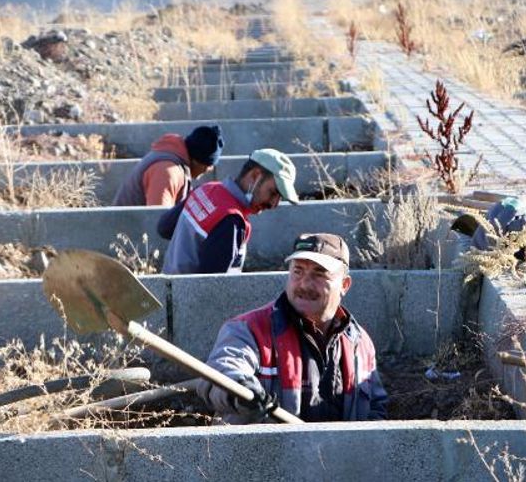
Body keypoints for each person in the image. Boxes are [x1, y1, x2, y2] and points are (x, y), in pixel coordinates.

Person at [197, 233, 388, 424]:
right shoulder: (249, 330)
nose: (305, 284)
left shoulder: (360, 343)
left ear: (345, 285)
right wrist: (242, 392)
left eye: (319, 274)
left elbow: (375, 407)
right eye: (298, 271)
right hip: (264, 453)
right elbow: (221, 372)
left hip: (337, 454)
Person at [158, 148, 298, 274]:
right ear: (255, 175)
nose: (274, 204)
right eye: (273, 193)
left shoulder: (205, 190)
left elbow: (164, 228)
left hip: (170, 291)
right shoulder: (231, 221)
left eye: (280, 198)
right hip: (188, 300)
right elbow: (212, 287)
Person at [112, 125, 223, 207]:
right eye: (208, 166)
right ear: (197, 162)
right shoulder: (167, 172)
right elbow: (156, 221)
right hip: (126, 236)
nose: (209, 170)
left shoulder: (174, 161)